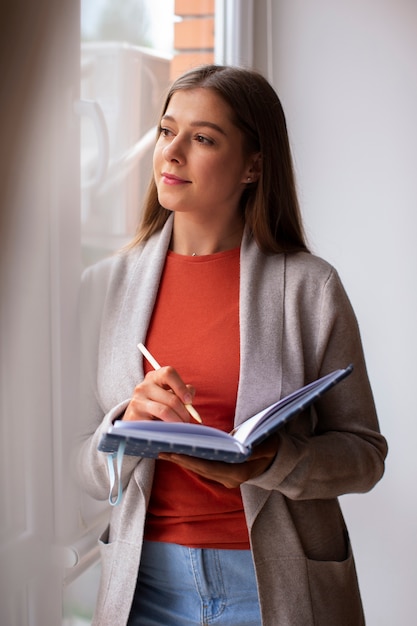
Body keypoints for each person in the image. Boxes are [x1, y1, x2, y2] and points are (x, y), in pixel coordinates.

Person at [76, 64, 388, 626]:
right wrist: (125, 424)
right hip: (145, 587)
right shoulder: (103, 288)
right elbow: (71, 458)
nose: (171, 153)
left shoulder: (310, 288)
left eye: (202, 139)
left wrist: (272, 462)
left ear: (253, 166)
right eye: (167, 131)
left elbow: (365, 456)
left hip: (274, 587)